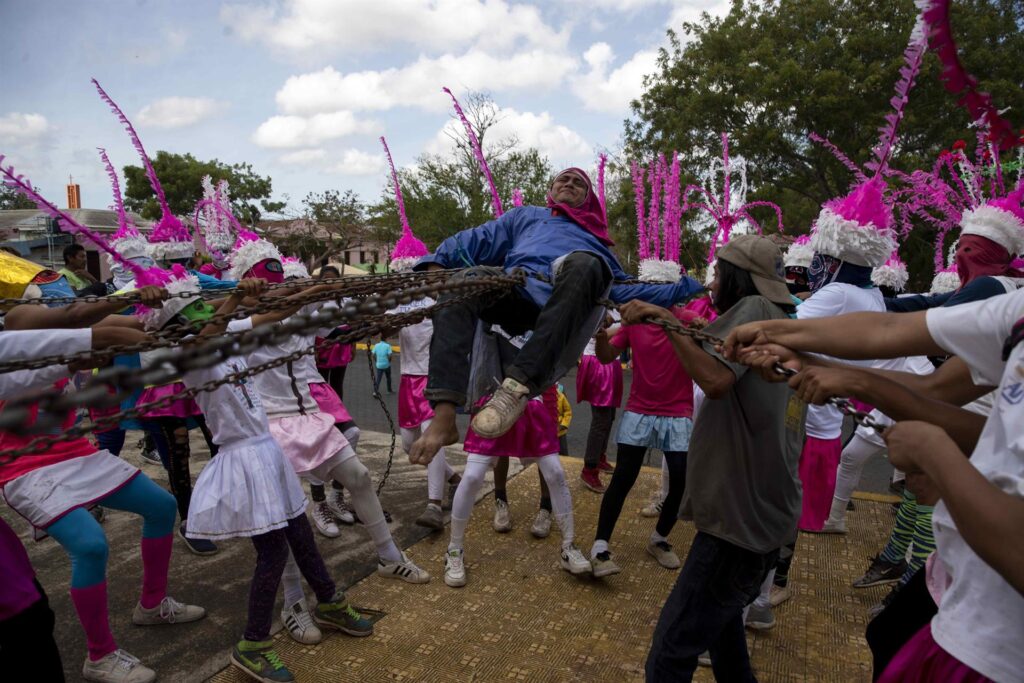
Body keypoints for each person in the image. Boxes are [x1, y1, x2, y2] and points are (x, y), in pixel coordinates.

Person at [723, 288, 1024, 683]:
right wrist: (774, 332)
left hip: (997, 659)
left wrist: (938, 454)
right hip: (959, 604)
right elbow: (889, 327)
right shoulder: (1017, 312)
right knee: (886, 634)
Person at [145, 274, 374, 682]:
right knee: (273, 552)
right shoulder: (185, 351)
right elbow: (209, 332)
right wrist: (234, 298)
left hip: (267, 450)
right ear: (178, 323)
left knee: (301, 537)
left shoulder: (224, 334)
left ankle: (329, 601)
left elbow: (274, 314)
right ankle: (252, 643)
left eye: (205, 305)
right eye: (196, 308)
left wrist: (314, 294)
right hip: (243, 461)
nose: (208, 310)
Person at [409, 167, 702, 467]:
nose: (570, 183)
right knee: (467, 279)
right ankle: (444, 416)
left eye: (579, 183)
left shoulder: (596, 244)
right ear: (551, 188)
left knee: (588, 263)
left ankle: (516, 387)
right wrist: (437, 260)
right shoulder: (524, 217)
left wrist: (692, 286)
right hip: (514, 292)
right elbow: (478, 238)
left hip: (560, 308)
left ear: (589, 200)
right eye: (564, 178)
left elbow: (630, 289)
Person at [1, 287, 206, 683]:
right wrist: (130, 300)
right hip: (25, 467)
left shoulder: (63, 331)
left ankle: (151, 604)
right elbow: (81, 320)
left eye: (46, 300)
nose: (44, 307)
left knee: (162, 507)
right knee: (91, 545)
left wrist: (190, 303)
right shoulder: (14, 341)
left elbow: (135, 322)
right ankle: (99, 655)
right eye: (36, 301)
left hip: (75, 452)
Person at [637, 235, 802, 682]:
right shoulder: (783, 317)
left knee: (670, 654)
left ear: (737, 278)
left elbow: (714, 378)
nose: (711, 283)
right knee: (725, 641)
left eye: (717, 273)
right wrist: (682, 321)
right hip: (765, 518)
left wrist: (665, 319)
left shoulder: (751, 312)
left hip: (737, 529)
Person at [442, 329, 590, 588]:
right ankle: (454, 550)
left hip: (536, 396)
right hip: (494, 395)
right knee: (474, 475)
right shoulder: (495, 305)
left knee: (554, 472)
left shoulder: (548, 305)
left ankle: (569, 546)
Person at [588, 296, 705, 578]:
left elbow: (708, 350)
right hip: (639, 410)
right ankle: (600, 545)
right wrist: (601, 335)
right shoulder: (633, 322)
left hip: (677, 412)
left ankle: (659, 539)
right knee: (623, 478)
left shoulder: (686, 320)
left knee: (680, 479)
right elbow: (605, 356)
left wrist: (700, 330)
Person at [575, 313, 621, 492]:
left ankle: (599, 457)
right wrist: (627, 326)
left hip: (612, 360)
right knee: (601, 419)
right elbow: (595, 332)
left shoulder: (623, 296)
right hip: (598, 361)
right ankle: (589, 468)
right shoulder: (599, 301)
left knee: (609, 416)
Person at [555, 383, 571, 457]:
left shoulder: (561, 395)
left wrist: (563, 425)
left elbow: (568, 411)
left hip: (560, 431)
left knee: (563, 453)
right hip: (547, 432)